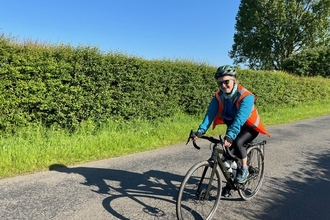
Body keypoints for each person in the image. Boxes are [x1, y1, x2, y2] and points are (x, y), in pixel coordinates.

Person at [192, 65, 270, 196]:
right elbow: (210, 113)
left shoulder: (246, 96)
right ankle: (231, 183)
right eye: (220, 83)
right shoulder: (219, 96)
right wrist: (201, 130)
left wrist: (230, 136)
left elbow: (240, 118)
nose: (223, 85)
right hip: (234, 126)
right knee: (227, 156)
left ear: (234, 80)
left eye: (226, 81)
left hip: (249, 128)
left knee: (238, 142)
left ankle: (244, 169)